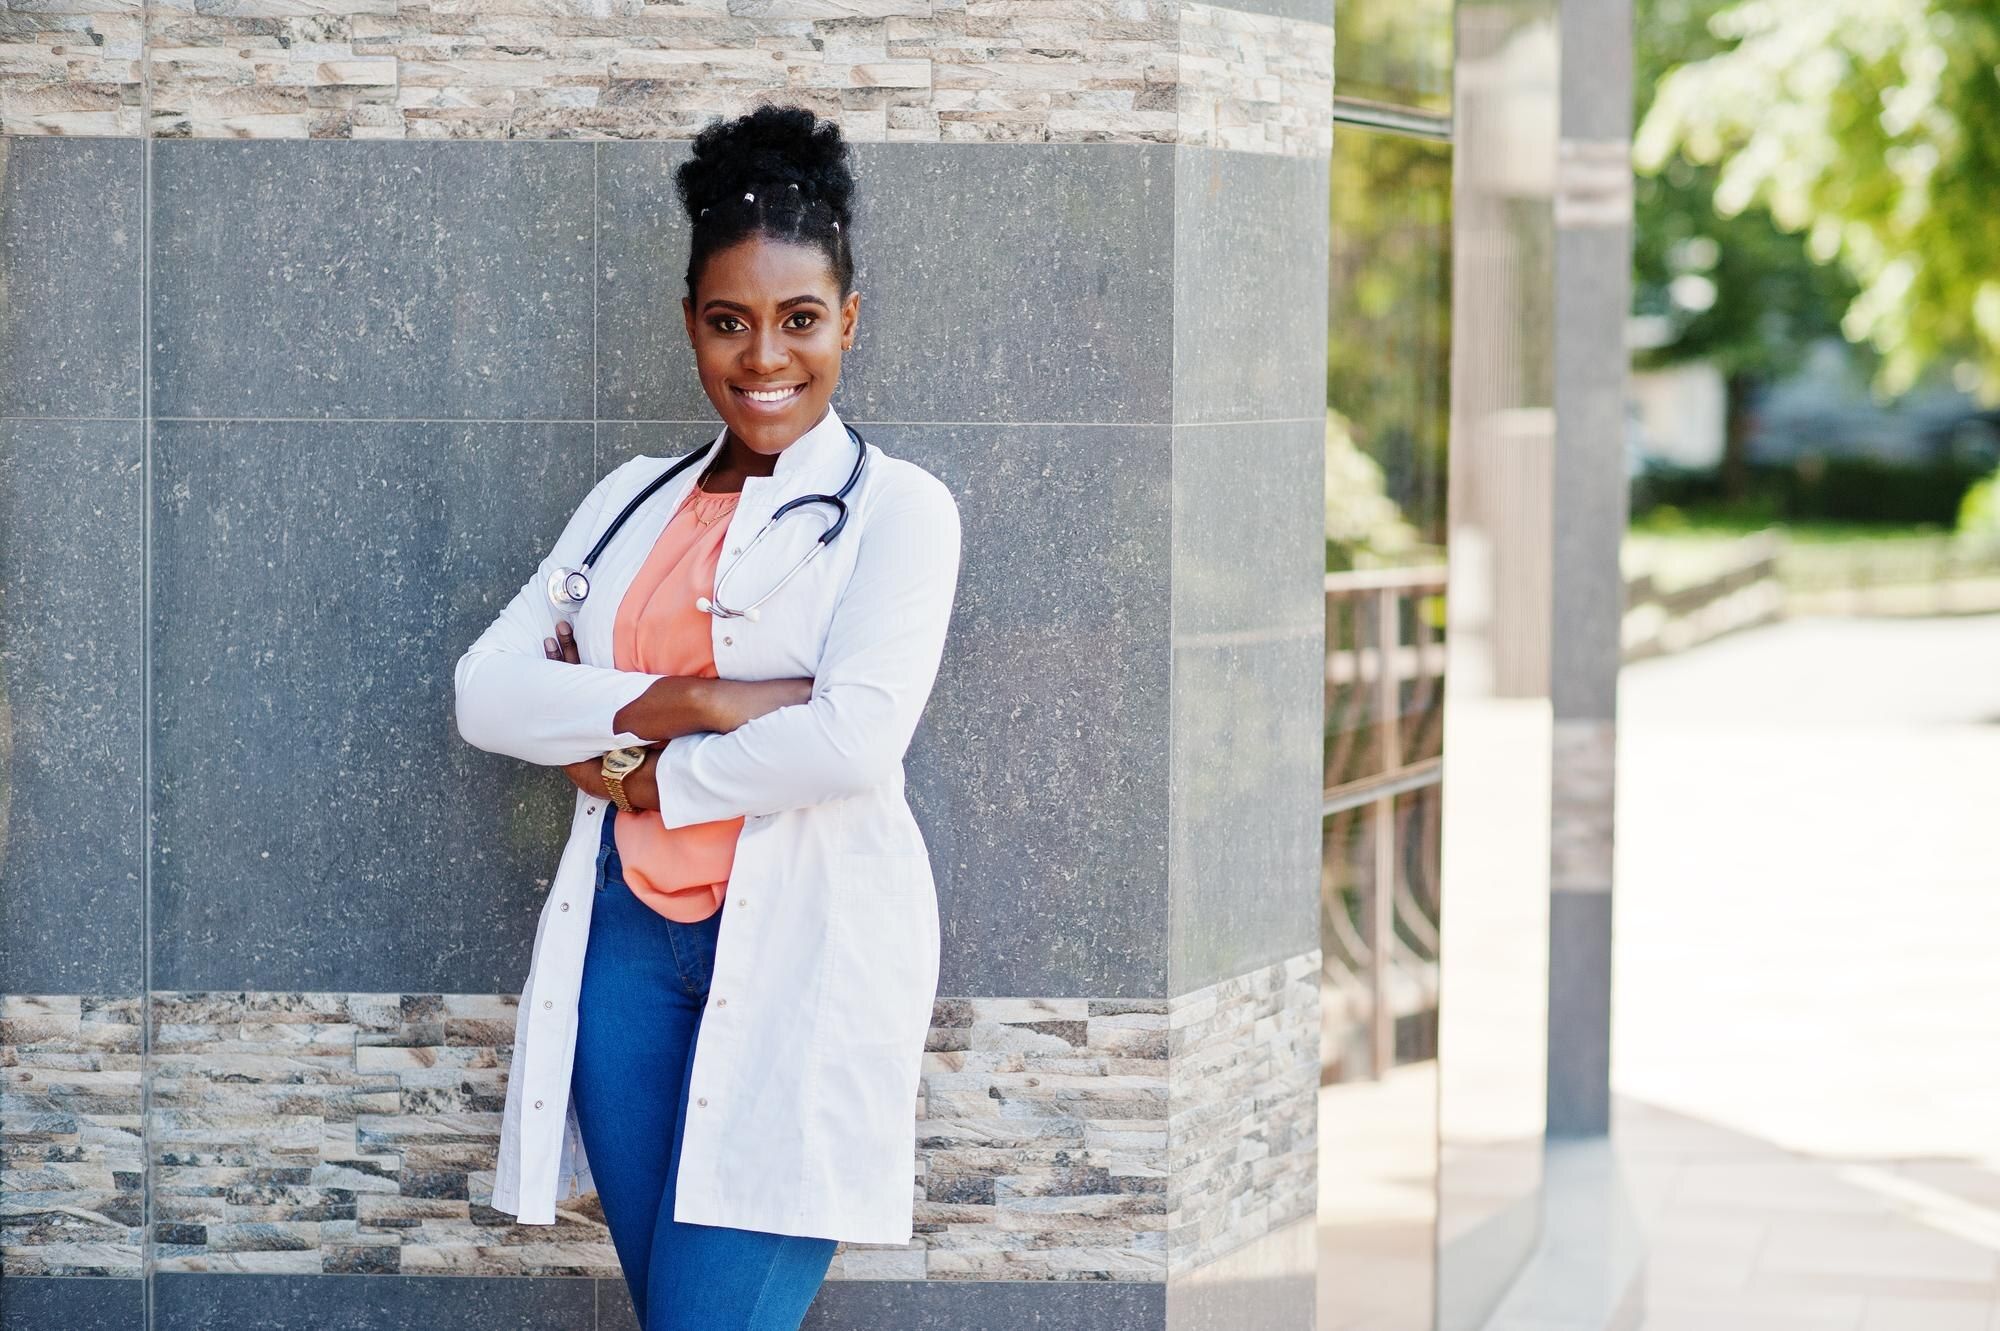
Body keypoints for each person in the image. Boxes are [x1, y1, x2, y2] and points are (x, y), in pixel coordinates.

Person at [452, 103, 963, 1331]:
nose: (763, 357)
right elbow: (487, 691)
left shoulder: (899, 510)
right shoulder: (629, 500)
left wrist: (638, 773)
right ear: (691, 323)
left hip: (802, 950)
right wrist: (694, 701)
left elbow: (850, 739)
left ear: (847, 319)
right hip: (627, 951)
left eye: (798, 320)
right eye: (728, 322)